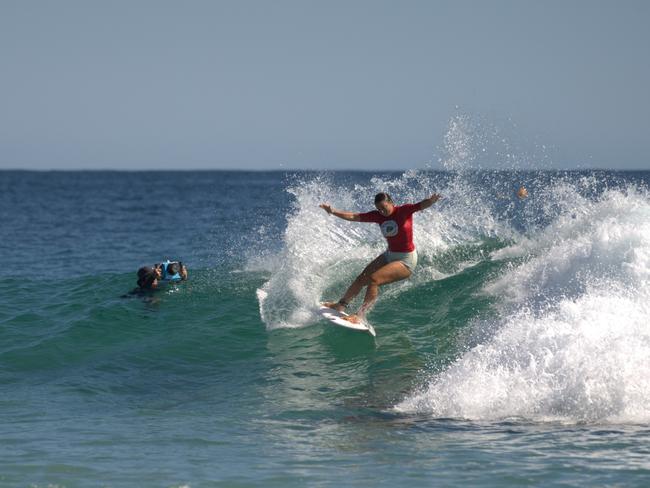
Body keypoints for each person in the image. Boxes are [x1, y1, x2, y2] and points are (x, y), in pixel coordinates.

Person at [319, 191, 441, 323]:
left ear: (391, 203)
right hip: (390, 254)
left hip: (406, 260)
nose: (382, 211)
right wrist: (333, 211)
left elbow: (420, 205)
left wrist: (431, 201)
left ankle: (360, 316)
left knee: (374, 280)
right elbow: (354, 216)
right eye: (379, 209)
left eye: (384, 207)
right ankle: (340, 305)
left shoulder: (404, 210)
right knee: (362, 278)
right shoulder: (378, 216)